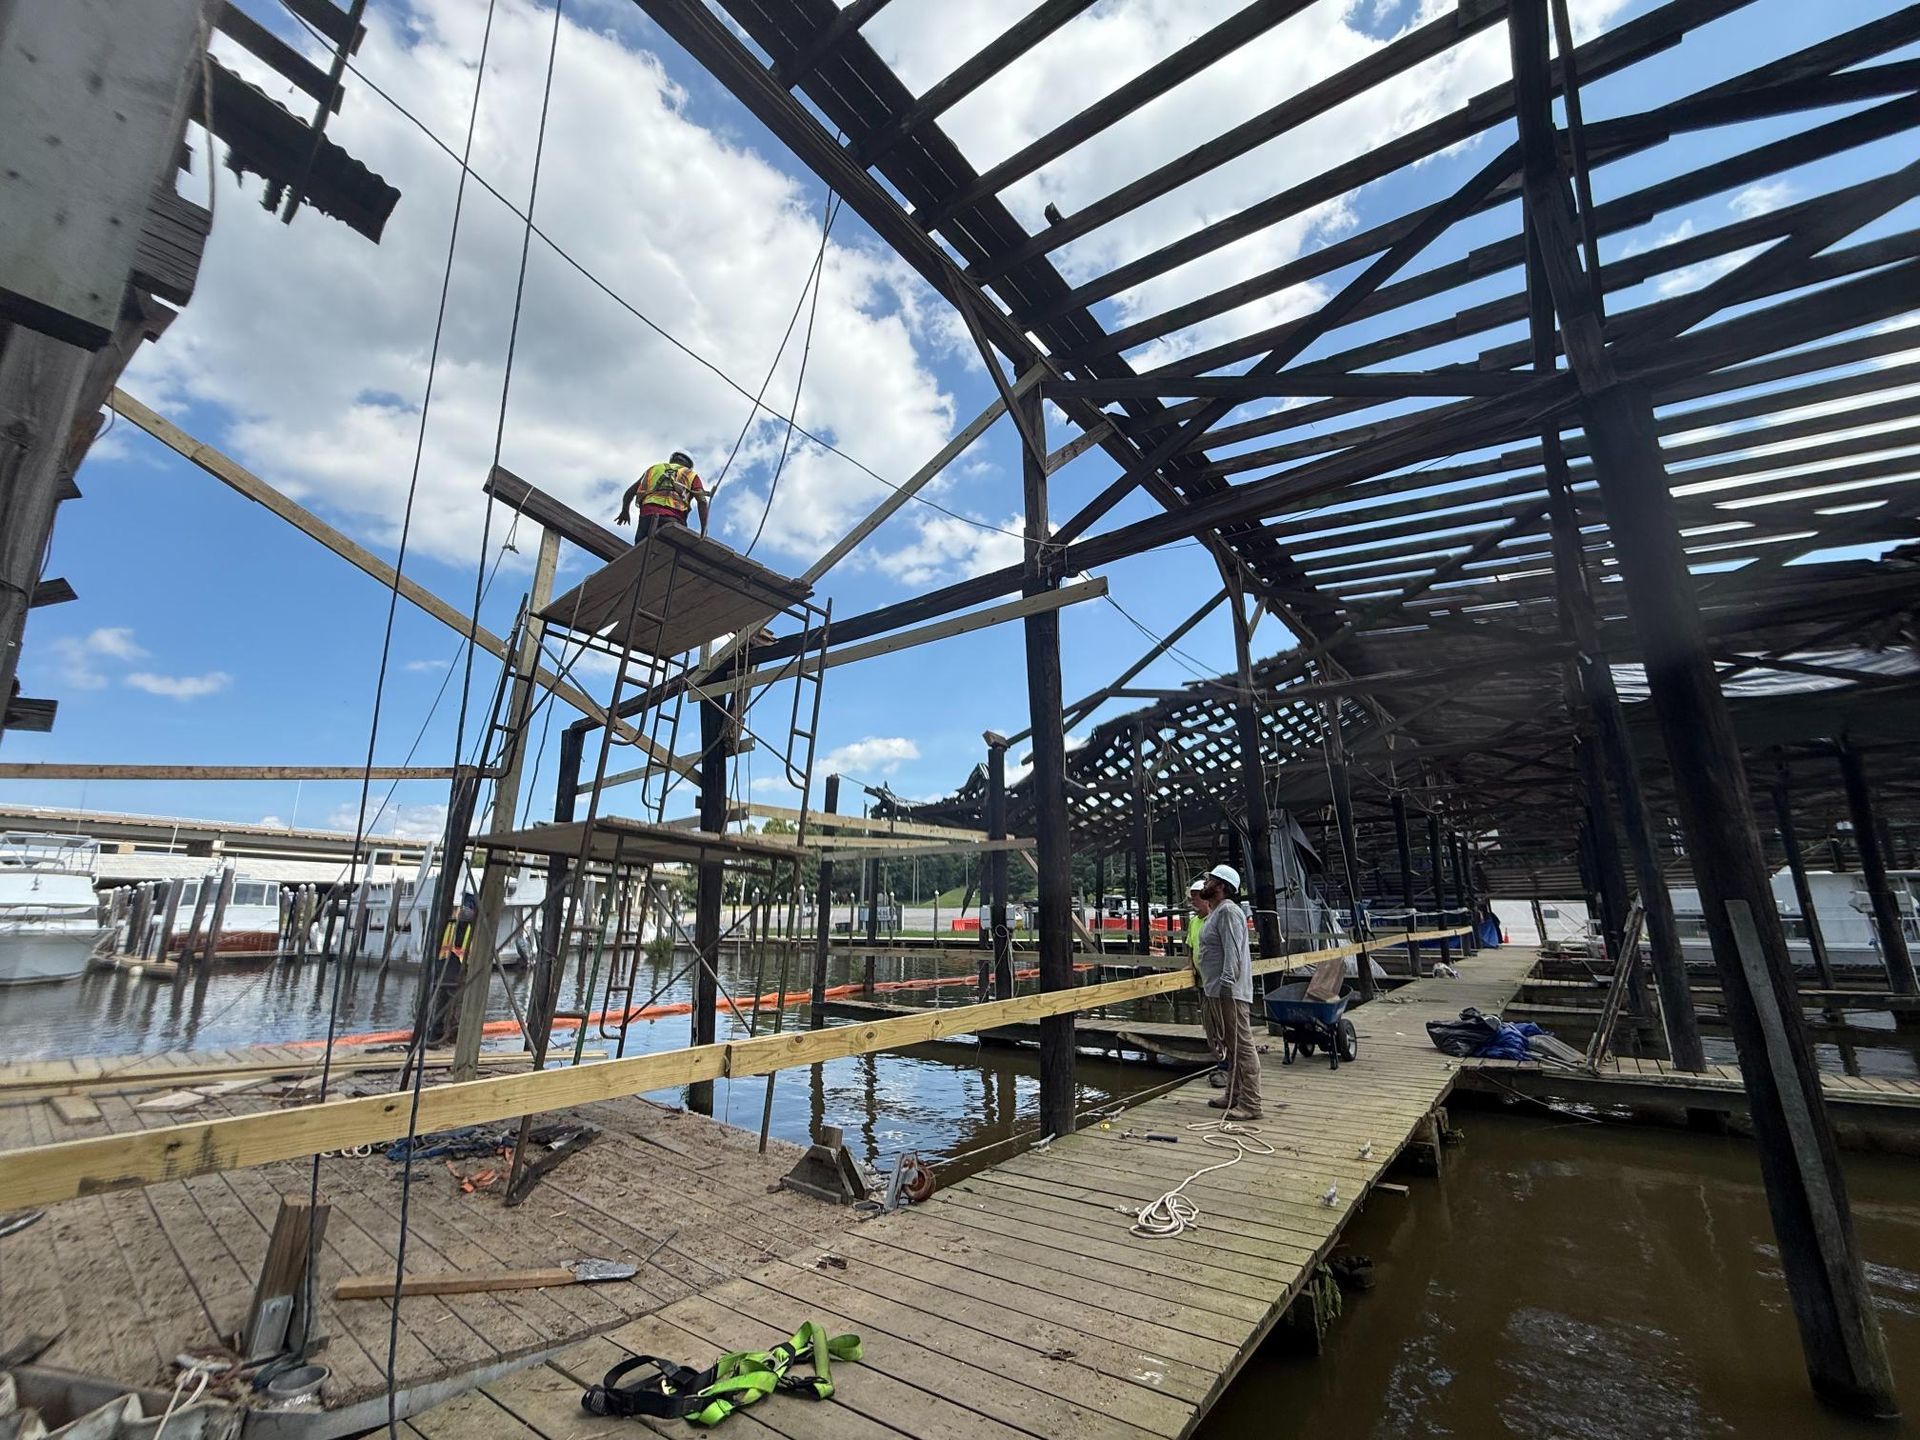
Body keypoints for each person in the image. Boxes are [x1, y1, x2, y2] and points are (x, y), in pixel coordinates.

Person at [1198, 863, 1261, 1120]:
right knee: (1231, 1046)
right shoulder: (1216, 912)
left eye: (1209, 880)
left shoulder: (1228, 912)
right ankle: (1233, 1095)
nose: (1205, 884)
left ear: (1221, 886)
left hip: (1230, 993)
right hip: (1218, 992)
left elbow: (1233, 955)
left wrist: (1225, 987)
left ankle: (1251, 1103)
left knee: (1243, 1046)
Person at [1188, 877, 1228, 1087]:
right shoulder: (1195, 922)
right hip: (1205, 985)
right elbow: (1192, 948)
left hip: (1220, 986)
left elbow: (1232, 953)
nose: (1193, 900)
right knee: (1211, 1028)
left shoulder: (1221, 916)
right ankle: (1222, 1065)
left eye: (1196, 895)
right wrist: (1191, 967)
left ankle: (1227, 1070)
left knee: (1225, 1028)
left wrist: (1227, 983)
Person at [617, 450, 710, 538]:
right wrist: (703, 529)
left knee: (641, 550)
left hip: (647, 517)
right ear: (688, 466)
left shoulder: (653, 469)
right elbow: (702, 501)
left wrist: (625, 511)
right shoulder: (690, 474)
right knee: (674, 550)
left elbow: (630, 492)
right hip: (673, 517)